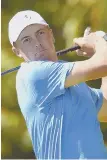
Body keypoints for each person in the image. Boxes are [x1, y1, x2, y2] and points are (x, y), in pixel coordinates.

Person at [8, 10, 107, 159]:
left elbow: (105, 110)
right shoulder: (32, 75)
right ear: (17, 51)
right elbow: (104, 63)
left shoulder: (72, 81)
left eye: (40, 33)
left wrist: (99, 49)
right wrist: (99, 42)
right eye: (27, 40)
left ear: (51, 34)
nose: (37, 44)